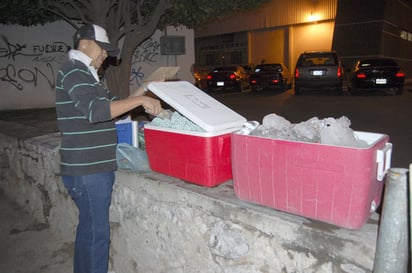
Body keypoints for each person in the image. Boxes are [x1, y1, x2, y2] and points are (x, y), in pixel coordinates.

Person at [55, 24, 162, 273]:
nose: (106, 55)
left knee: (90, 231)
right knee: (97, 235)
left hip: (92, 168)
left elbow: (115, 108)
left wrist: (147, 87)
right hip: (88, 169)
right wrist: (141, 100)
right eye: (103, 49)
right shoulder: (74, 71)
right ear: (84, 44)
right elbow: (96, 111)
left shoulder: (89, 77)